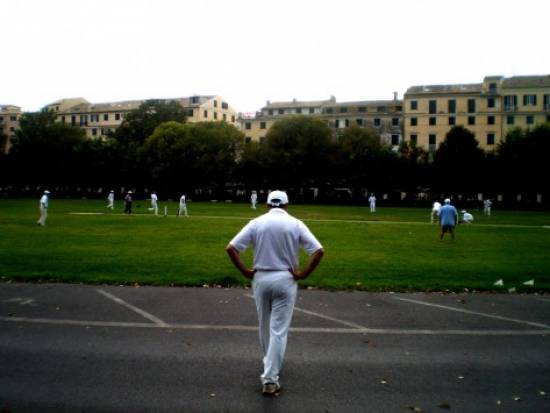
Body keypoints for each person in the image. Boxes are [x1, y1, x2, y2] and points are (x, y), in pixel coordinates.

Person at [225, 190, 324, 396]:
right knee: (278, 330)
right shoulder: (295, 223)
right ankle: (270, 377)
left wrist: (245, 271)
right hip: (285, 279)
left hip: (261, 277)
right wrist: (303, 274)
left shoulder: (256, 222)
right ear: (287, 205)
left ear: (267, 205)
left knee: (265, 326)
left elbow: (231, 248)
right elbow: (318, 250)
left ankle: (269, 367)